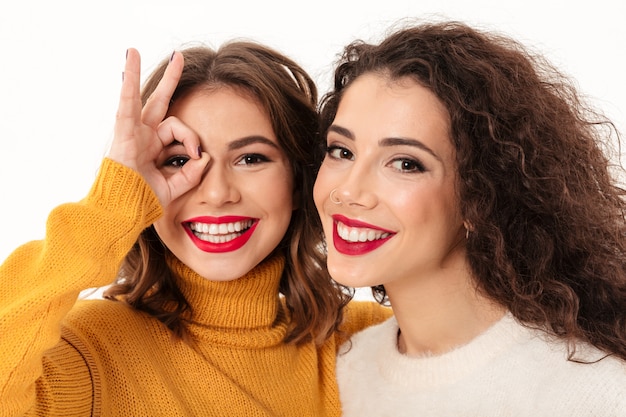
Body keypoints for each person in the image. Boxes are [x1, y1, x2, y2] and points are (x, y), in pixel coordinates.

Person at [0, 41, 390, 416]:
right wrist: (112, 204)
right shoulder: (92, 348)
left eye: (251, 158)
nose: (217, 193)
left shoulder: (362, 340)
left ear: (297, 182)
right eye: (178, 161)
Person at [313, 20, 626, 415]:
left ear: (482, 194)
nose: (348, 192)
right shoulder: (342, 372)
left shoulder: (592, 393)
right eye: (342, 151)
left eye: (406, 163)